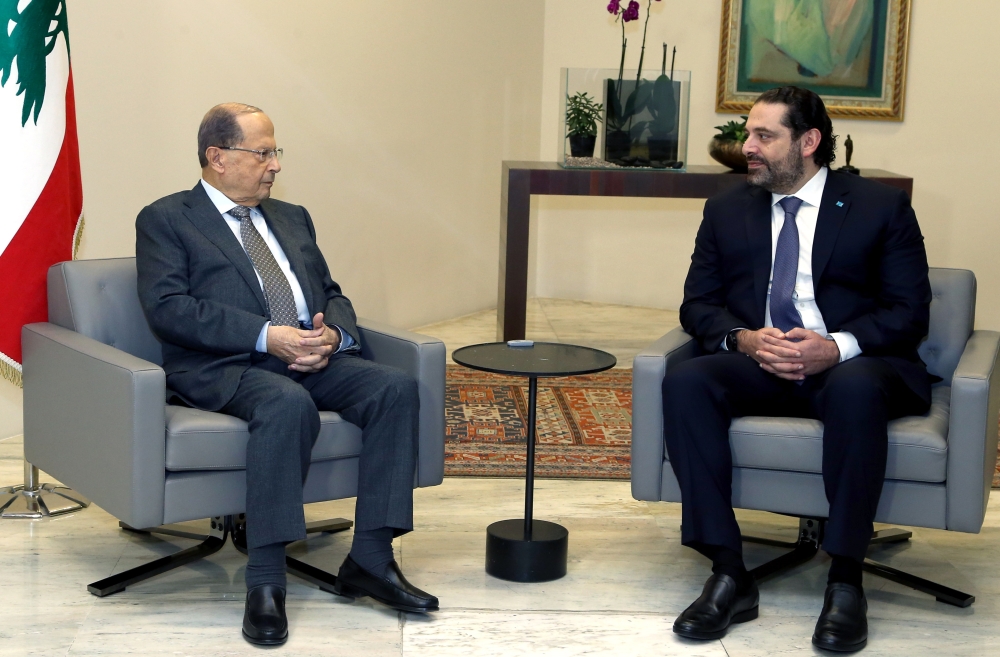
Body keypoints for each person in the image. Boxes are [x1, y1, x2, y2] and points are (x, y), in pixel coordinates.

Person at [135, 103, 438, 646]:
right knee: (284, 403)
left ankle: (370, 558)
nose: (275, 165)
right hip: (225, 364)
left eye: (276, 152)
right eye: (263, 153)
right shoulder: (166, 219)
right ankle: (266, 581)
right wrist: (264, 335)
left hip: (309, 354)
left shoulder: (292, 216)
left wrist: (334, 337)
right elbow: (169, 309)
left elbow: (332, 292)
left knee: (396, 387)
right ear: (217, 157)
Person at [662, 86, 930, 653]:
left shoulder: (880, 208)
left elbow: (909, 313)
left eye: (765, 136)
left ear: (808, 142)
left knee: (856, 390)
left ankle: (845, 578)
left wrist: (836, 347)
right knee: (688, 379)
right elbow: (697, 306)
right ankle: (729, 572)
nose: (748, 146)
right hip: (764, 363)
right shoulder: (728, 208)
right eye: (748, 133)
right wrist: (744, 339)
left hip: (852, 367)